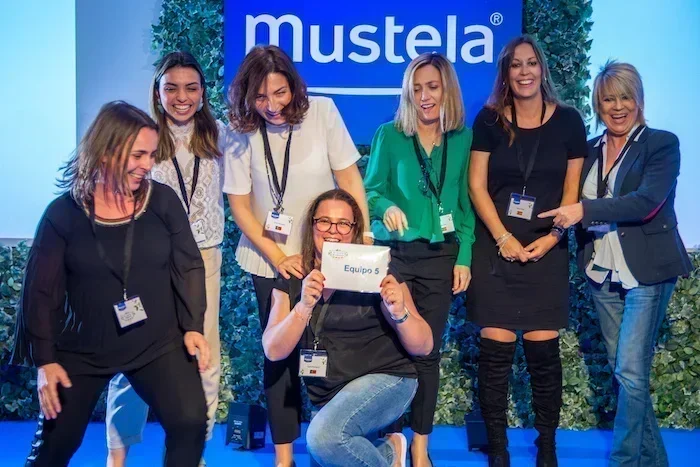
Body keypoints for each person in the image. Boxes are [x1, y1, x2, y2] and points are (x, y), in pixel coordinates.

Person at [11, 101, 210, 467]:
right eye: (138, 155)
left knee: (190, 422)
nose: (148, 165)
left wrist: (193, 326)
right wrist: (45, 361)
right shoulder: (63, 215)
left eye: (151, 155)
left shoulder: (162, 201)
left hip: (156, 342)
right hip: (83, 349)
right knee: (57, 445)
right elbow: (41, 293)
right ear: (105, 152)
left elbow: (189, 265)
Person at [539, 61, 693, 467]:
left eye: (626, 97)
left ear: (639, 100)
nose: (618, 107)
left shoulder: (661, 144)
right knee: (625, 373)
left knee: (630, 371)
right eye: (609, 99)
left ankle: (623, 462)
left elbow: (646, 203)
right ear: (598, 104)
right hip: (601, 271)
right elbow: (563, 195)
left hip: (647, 270)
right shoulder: (589, 149)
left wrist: (584, 210)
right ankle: (655, 462)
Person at [224, 45, 370, 466]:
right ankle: (284, 455)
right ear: (247, 95)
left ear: (294, 87)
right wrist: (277, 257)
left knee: (336, 348)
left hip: (326, 255)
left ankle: (337, 441)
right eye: (260, 97)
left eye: (280, 93)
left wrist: (361, 236)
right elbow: (240, 206)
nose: (272, 106)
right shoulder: (238, 131)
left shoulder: (322, 113)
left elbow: (349, 179)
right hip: (268, 258)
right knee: (279, 355)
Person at [105, 51, 230, 467]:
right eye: (171, 88)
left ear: (203, 92)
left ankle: (190, 455)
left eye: (191, 88)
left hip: (204, 260)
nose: (182, 97)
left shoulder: (222, 137)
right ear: (157, 92)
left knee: (204, 359)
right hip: (148, 264)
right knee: (132, 359)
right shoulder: (140, 138)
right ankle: (116, 457)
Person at [467, 35, 587, 466]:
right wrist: (503, 238)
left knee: (544, 358)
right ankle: (498, 449)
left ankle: (547, 446)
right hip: (495, 249)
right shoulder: (488, 120)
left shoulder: (570, 121)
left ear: (542, 69)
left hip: (546, 251)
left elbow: (572, 192)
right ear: (506, 72)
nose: (524, 72)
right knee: (495, 358)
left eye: (531, 63)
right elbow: (476, 186)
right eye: (515, 64)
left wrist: (553, 237)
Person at [263, 188, 433, 467]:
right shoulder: (294, 276)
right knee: (329, 447)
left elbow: (424, 345)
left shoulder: (376, 272)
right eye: (324, 221)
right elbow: (273, 350)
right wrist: (303, 307)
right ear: (312, 225)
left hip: (387, 379)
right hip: (329, 397)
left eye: (343, 223)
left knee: (323, 439)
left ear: (354, 230)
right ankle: (389, 453)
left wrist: (399, 312)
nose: (333, 230)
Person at [363, 51, 475, 466]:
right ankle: (393, 440)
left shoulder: (463, 139)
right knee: (394, 349)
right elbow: (369, 191)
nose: (425, 96)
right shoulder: (389, 135)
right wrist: (386, 205)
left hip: (441, 256)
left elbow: (465, 206)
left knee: (428, 352)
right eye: (416, 89)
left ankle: (421, 448)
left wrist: (464, 257)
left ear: (447, 90)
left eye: (432, 87)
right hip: (396, 255)